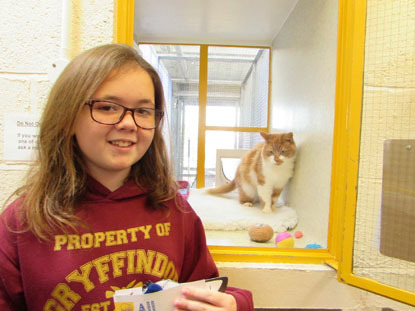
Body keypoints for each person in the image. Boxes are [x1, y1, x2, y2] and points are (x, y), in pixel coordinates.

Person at [0, 44, 254, 311]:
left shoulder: (175, 211)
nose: (129, 123)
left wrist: (236, 304)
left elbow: (205, 290)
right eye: (108, 107)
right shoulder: (22, 222)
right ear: (69, 116)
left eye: (143, 111)